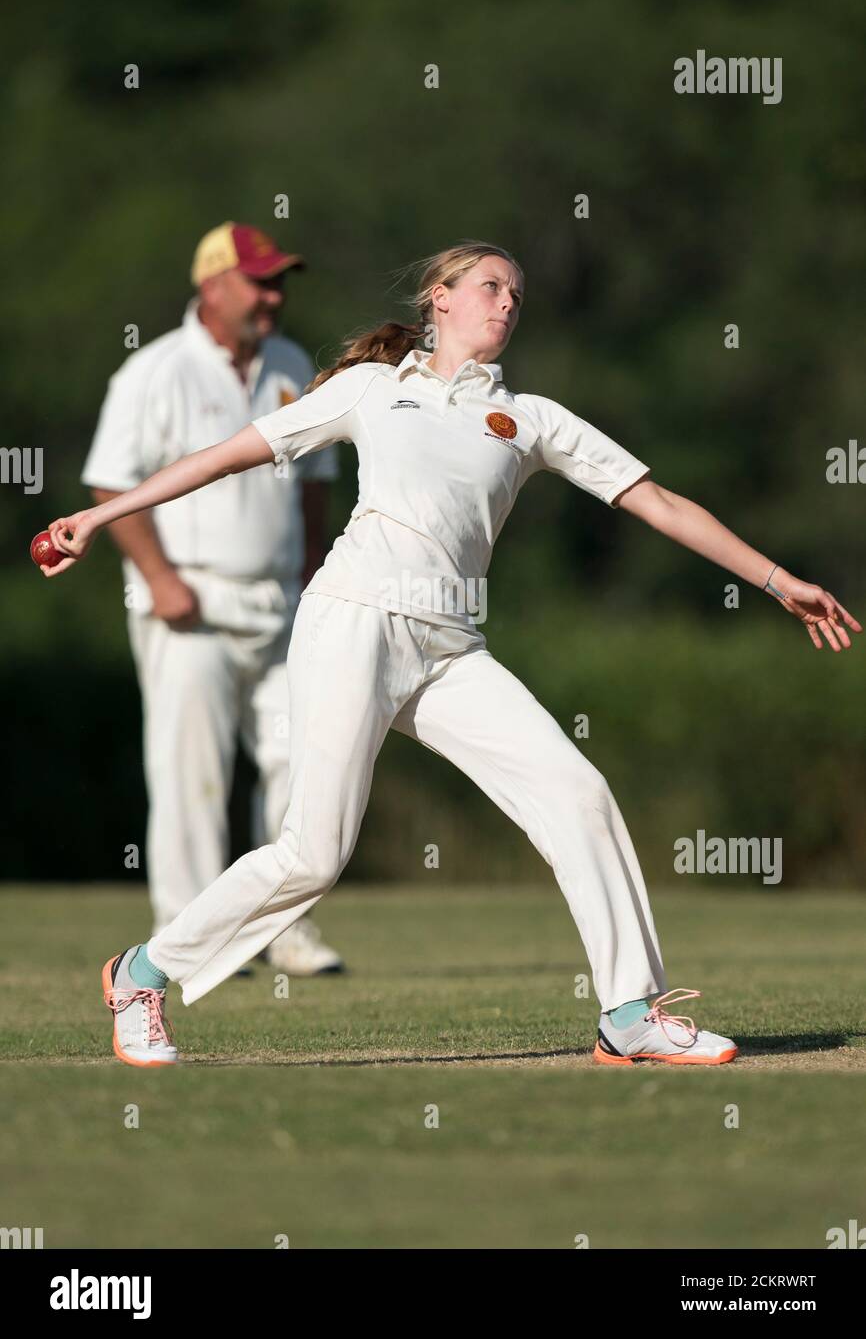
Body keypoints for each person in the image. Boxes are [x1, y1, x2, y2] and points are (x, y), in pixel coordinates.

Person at [42, 241, 861, 1069]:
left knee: (577, 793)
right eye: (490, 287)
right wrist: (98, 521)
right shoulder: (370, 389)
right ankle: (143, 975)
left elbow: (659, 502)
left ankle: (628, 1014)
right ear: (439, 298)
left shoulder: (530, 418)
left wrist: (775, 577)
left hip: (450, 648)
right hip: (352, 621)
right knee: (314, 855)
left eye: (517, 294)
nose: (507, 304)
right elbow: (226, 455)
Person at [80, 221, 346, 977]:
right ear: (212, 285)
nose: (274, 295)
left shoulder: (294, 363)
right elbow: (109, 483)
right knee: (190, 775)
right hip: (187, 600)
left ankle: (284, 932)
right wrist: (161, 579)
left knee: (302, 766)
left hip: (280, 602)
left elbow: (315, 486)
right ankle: (184, 944)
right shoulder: (154, 371)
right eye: (260, 281)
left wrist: (314, 571)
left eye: (279, 282)